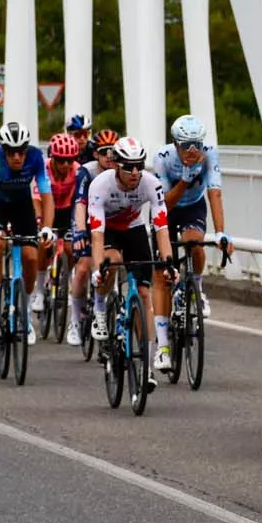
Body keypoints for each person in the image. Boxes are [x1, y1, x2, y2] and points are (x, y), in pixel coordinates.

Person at [86, 137, 173, 395]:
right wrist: (97, 269)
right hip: (109, 231)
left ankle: (146, 365)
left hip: (134, 229)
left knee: (145, 294)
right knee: (111, 262)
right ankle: (100, 308)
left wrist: (168, 263)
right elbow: (97, 234)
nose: (135, 172)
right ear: (116, 165)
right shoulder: (100, 185)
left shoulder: (151, 183)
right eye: (128, 167)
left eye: (139, 166)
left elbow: (161, 227)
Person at [0, 121, 52, 343]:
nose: (17, 157)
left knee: (31, 256)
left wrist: (47, 227)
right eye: (11, 152)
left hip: (22, 206)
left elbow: (47, 197)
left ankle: (24, 311)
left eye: (21, 151)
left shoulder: (36, 157)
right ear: (4, 151)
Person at [151, 115, 229, 325]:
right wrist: (185, 180)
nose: (193, 150)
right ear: (176, 144)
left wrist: (220, 232)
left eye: (197, 144)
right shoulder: (163, 157)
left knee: (195, 245)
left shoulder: (209, 153)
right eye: (186, 145)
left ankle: (197, 287)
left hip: (193, 206)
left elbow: (215, 192)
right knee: (164, 272)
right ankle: (163, 335)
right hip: (167, 210)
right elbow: (165, 205)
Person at [68, 129, 119, 346]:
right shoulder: (87, 172)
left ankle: (107, 303)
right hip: (88, 221)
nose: (109, 156)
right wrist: (80, 231)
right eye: (104, 152)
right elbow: (80, 203)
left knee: (114, 262)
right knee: (82, 268)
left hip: (113, 223)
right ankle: (74, 321)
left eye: (113, 151)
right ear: (95, 154)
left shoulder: (124, 169)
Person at [36, 133, 80, 317]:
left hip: (66, 210)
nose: (66, 165)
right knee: (43, 244)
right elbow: (37, 199)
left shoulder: (77, 170)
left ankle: (66, 281)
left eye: (70, 160)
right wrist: (40, 222)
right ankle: (39, 291)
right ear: (52, 157)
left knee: (71, 248)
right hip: (45, 207)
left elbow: (80, 200)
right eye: (61, 160)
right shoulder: (42, 170)